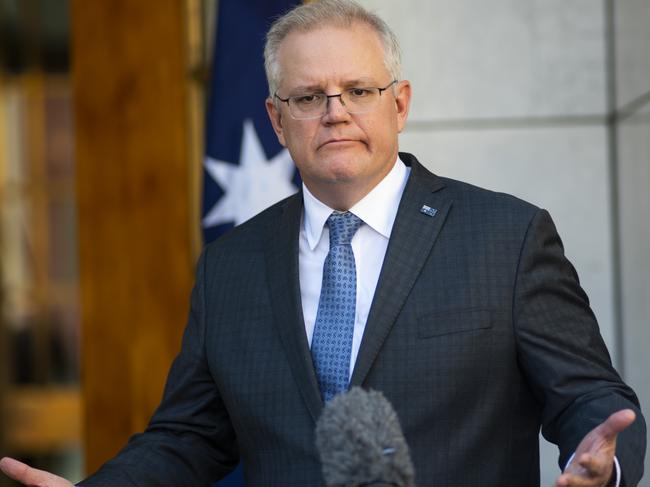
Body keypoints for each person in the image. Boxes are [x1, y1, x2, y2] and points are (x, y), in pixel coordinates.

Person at [1, 1, 646, 485]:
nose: (335, 111)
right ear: (278, 121)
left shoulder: (506, 237)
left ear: (399, 105)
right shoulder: (231, 265)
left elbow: (592, 399)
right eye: (309, 96)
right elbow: (189, 436)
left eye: (358, 91)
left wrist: (600, 467)